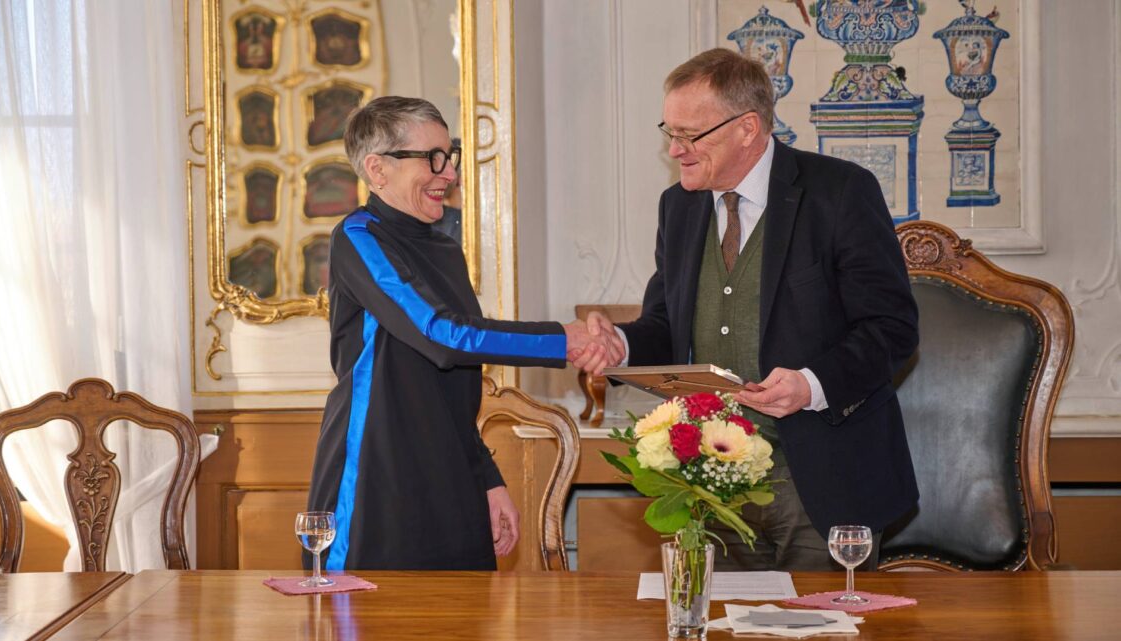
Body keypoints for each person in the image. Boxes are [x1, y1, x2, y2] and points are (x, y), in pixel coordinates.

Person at [583, 48, 920, 571]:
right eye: (669, 132)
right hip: (713, 484)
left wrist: (810, 384)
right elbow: (667, 323)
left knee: (822, 627)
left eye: (690, 135)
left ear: (747, 128)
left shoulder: (840, 192)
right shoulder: (678, 207)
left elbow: (892, 328)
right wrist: (619, 344)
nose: (676, 150)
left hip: (822, 480)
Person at [307, 96, 614, 571]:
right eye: (431, 158)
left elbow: (453, 383)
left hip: (451, 475)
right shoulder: (359, 237)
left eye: (448, 155)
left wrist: (487, 478)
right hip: (376, 476)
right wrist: (563, 340)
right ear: (377, 168)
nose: (447, 173)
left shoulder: (445, 250)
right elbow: (443, 336)